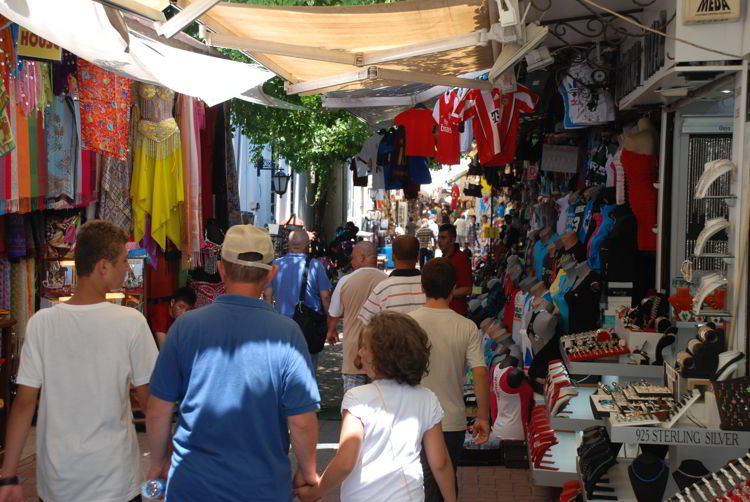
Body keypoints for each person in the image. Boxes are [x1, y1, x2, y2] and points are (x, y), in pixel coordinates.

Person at [146, 225, 320, 501]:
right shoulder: (287, 334)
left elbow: (158, 409)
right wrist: (308, 471)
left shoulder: (185, 327)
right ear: (271, 274)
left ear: (221, 269)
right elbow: (301, 421)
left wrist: (157, 463)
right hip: (262, 488)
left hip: (192, 485)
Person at [0, 220, 158, 502]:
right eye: (123, 260)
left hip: (59, 484)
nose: (127, 267)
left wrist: (8, 475)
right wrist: (161, 458)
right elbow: (150, 402)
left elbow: (25, 403)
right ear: (103, 266)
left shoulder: (41, 323)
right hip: (115, 481)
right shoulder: (131, 322)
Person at [296, 312, 457, 502]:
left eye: (364, 347)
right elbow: (440, 463)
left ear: (380, 355)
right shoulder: (427, 398)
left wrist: (316, 491)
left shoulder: (357, 398)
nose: (360, 352)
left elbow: (346, 462)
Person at [408, 258, 489, 502]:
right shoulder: (467, 327)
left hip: (413, 417)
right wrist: (483, 417)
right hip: (451, 419)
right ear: (454, 289)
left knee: (417, 484)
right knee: (445, 483)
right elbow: (480, 373)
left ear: (422, 287)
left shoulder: (408, 323)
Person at [263, 230, 332, 374]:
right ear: (308, 245)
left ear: (289, 245)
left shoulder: (277, 265)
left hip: (282, 326)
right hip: (308, 327)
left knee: (283, 369)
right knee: (308, 371)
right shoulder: (316, 266)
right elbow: (325, 296)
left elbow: (267, 294)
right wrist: (328, 319)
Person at [327, 241, 387, 393]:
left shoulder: (345, 281)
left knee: (353, 405)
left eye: (352, 258)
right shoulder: (387, 281)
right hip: (381, 354)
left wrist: (332, 330)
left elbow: (334, 313)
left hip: (353, 352)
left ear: (361, 257)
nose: (351, 262)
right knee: (380, 405)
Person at [358, 235, 425, 324]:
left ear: (392, 256)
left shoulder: (382, 288)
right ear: (418, 257)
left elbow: (367, 322)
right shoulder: (428, 286)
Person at [436, 224, 472, 315]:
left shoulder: (461, 258)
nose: (439, 241)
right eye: (439, 237)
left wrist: (444, 294)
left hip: (456, 313)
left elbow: (467, 289)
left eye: (443, 238)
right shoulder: (443, 257)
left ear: (452, 240)